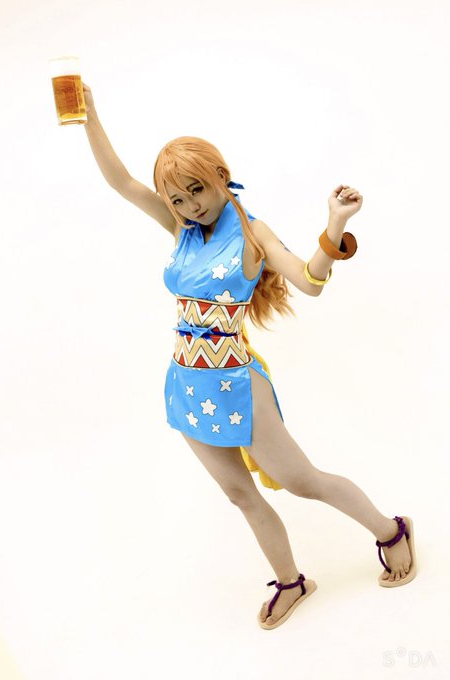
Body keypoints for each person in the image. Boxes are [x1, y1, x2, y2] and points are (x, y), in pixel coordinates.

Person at [81, 83, 417, 630]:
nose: (190, 205)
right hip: (185, 383)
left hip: (236, 383)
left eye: (196, 190)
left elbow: (308, 282)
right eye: (177, 199)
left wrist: (335, 225)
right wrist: (89, 116)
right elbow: (122, 182)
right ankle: (291, 581)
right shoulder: (182, 229)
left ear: (220, 175)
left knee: (302, 480)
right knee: (240, 495)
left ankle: (391, 530)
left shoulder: (252, 232)